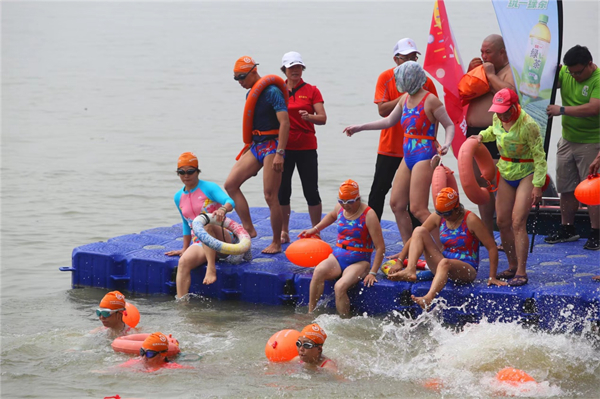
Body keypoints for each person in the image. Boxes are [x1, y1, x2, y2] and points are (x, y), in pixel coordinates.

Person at [344, 61, 455, 244]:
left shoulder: (430, 100)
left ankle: (439, 250)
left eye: (399, 78)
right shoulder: (405, 99)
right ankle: (409, 247)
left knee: (418, 209)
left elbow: (449, 124)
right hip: (408, 154)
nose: (396, 81)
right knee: (396, 204)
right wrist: (359, 127)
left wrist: (446, 144)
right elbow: (388, 122)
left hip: (424, 154)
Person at [470, 88, 547, 286]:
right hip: (505, 171)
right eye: (498, 111)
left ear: (514, 106)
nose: (502, 114)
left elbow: (540, 157)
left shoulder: (529, 125)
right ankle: (512, 265)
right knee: (502, 221)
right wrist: (480, 136)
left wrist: (538, 185)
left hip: (526, 171)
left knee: (517, 221)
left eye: (505, 110)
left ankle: (522, 271)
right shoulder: (497, 118)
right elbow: (491, 132)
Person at [387, 188, 506, 309]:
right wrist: (399, 261)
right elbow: (415, 237)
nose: (444, 217)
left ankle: (428, 298)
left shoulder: (471, 220)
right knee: (419, 230)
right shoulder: (439, 217)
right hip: (442, 263)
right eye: (441, 213)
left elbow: (491, 248)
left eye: (447, 214)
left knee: (445, 263)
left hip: (466, 269)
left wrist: (492, 277)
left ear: (457, 208)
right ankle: (410, 270)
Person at [224, 56, 290, 254]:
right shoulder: (251, 94)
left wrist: (280, 153)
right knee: (230, 184)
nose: (240, 82)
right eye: (236, 79)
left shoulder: (272, 92)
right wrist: (248, 145)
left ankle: (276, 242)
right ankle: (249, 228)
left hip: (272, 146)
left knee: (270, 196)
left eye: (242, 77)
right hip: (257, 146)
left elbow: (285, 123)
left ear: (254, 72)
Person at [370, 38, 438, 220]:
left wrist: (435, 142)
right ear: (396, 59)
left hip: (418, 150)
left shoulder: (426, 82)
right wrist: (408, 96)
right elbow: (383, 110)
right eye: (406, 58)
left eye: (413, 58)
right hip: (390, 147)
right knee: (378, 191)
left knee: (414, 201)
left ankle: (418, 239)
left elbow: (436, 116)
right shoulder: (386, 78)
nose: (410, 62)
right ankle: (371, 235)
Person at [298, 180, 384, 317]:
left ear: (358, 198)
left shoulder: (369, 215)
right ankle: (310, 313)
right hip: (338, 255)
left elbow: (380, 248)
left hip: (359, 261)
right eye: (342, 201)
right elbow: (331, 216)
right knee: (318, 271)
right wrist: (314, 230)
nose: (345, 206)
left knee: (340, 287)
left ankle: (344, 322)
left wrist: (373, 273)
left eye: (350, 202)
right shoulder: (340, 208)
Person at [545, 45, 600, 250]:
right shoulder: (566, 72)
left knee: (592, 189)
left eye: (578, 72)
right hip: (568, 139)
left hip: (592, 141)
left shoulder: (598, 79)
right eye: (571, 72)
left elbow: (594, 107)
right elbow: (546, 84)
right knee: (565, 186)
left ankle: (596, 232)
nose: (574, 76)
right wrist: (550, 70)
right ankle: (567, 228)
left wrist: (562, 110)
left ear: (589, 64)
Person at [165, 152, 236, 298]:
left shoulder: (209, 188)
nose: (186, 175)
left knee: (205, 223)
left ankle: (211, 268)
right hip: (200, 243)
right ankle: (182, 304)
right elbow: (186, 223)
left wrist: (222, 209)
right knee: (183, 262)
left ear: (197, 171)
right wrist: (184, 248)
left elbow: (230, 202)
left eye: (190, 171)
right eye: (181, 172)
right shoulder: (178, 196)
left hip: (221, 239)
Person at [465, 34, 516, 236]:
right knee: (481, 188)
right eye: (481, 52)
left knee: (498, 187)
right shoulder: (484, 69)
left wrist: (490, 74)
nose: (483, 56)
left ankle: (506, 234)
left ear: (502, 52)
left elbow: (510, 94)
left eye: (488, 52)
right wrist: (471, 72)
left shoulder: (508, 71)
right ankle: (486, 234)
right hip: (474, 134)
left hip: (495, 134)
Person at [278, 51, 327, 243]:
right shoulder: (277, 89)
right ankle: (284, 230)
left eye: (298, 67)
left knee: (311, 190)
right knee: (283, 190)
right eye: (291, 67)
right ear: (285, 69)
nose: (295, 71)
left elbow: (323, 118)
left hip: (306, 147)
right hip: (284, 148)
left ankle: (316, 230)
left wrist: (310, 117)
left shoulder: (312, 90)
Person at [116, 332, 192, 372]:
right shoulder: (135, 362)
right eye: (142, 352)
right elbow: (112, 370)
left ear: (162, 355)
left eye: (149, 353)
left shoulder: (171, 368)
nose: (144, 357)